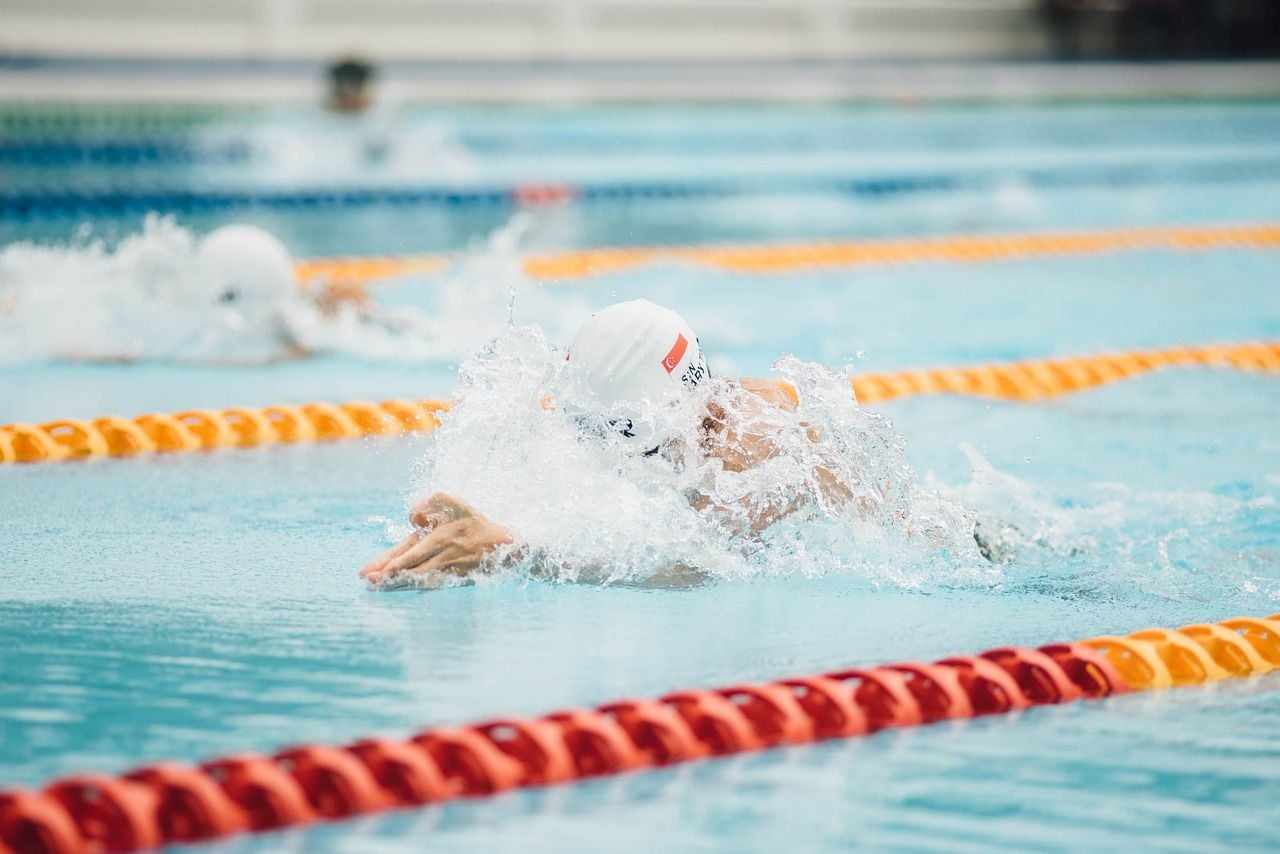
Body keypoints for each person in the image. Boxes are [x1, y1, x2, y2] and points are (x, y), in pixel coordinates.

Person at [359, 300, 1013, 587]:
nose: (610, 447)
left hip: (962, 550)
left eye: (626, 434)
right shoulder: (647, 412)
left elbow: (682, 565)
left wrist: (513, 549)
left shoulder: (753, 442)